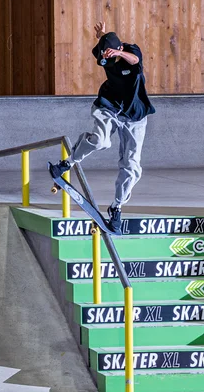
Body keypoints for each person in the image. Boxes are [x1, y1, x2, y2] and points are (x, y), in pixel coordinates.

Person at [49, 21, 155, 234]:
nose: (108, 59)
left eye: (112, 55)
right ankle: (67, 163)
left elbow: (135, 60)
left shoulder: (132, 52)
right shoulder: (103, 54)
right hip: (109, 107)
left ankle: (116, 207)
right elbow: (105, 46)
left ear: (120, 48)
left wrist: (119, 52)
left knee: (132, 166)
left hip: (135, 116)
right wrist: (102, 36)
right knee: (99, 141)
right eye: (106, 55)